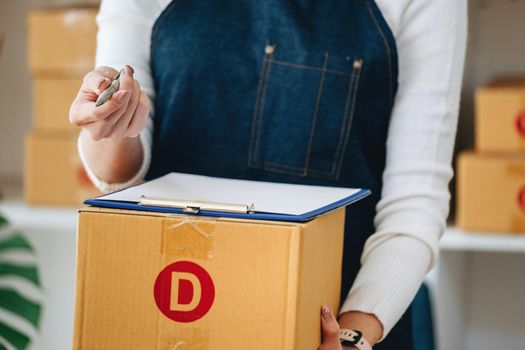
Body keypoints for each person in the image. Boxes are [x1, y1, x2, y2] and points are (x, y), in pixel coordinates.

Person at [69, 0, 467, 348]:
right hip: (171, 310)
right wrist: (111, 123)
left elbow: (415, 204)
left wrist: (352, 335)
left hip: (334, 323)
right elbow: (119, 175)